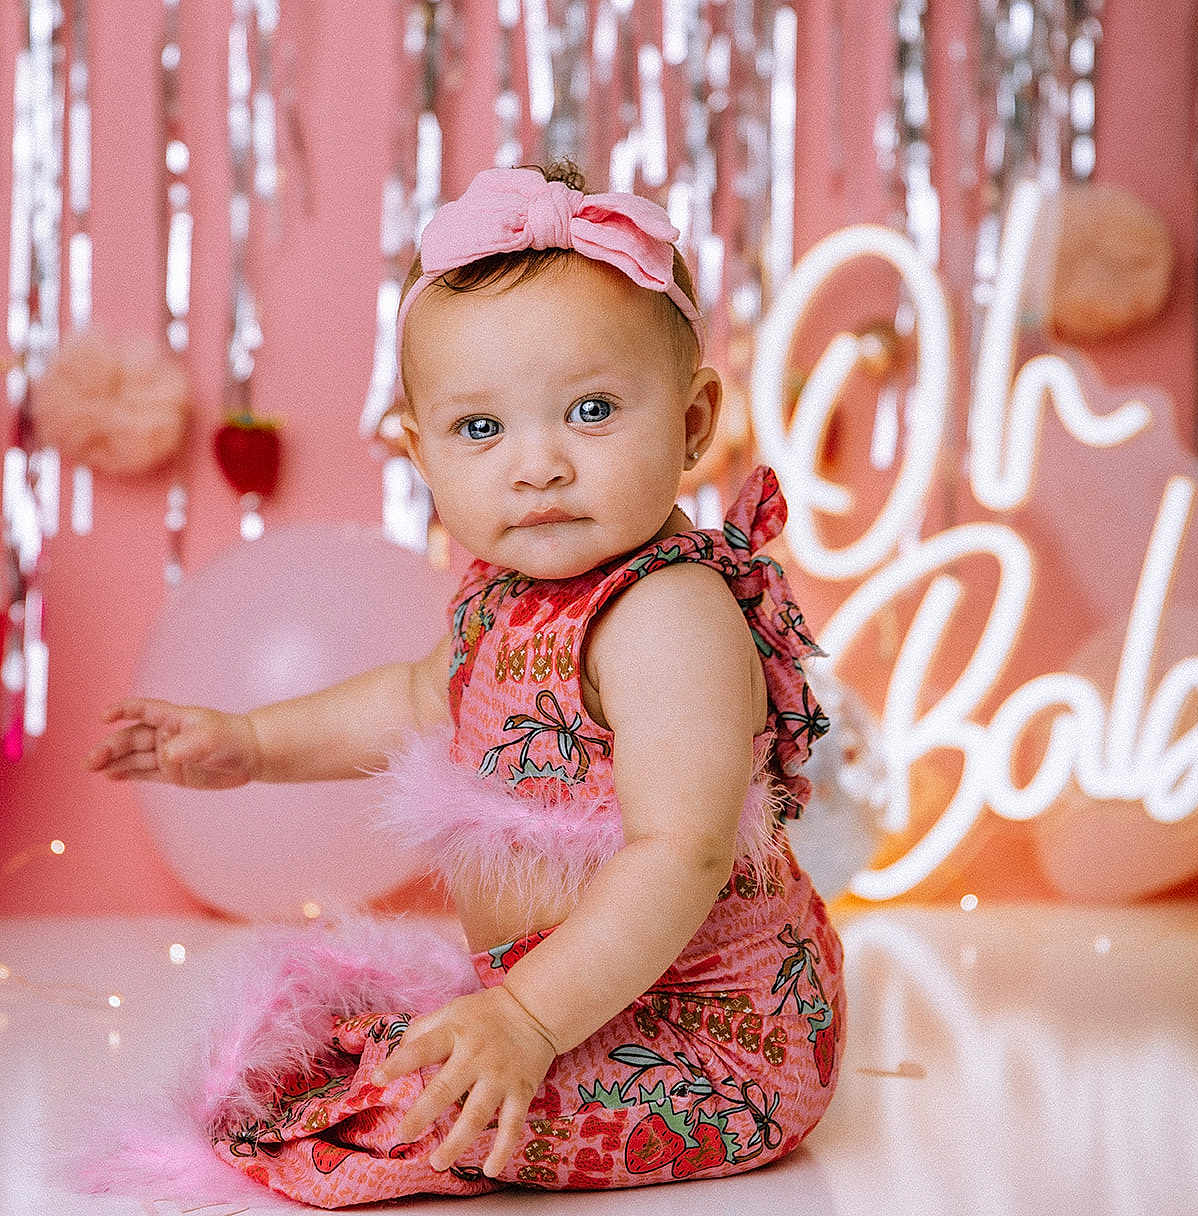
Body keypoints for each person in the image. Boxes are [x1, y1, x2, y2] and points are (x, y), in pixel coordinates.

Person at [85, 160, 844, 1207]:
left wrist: (526, 1019)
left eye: (590, 410)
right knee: (307, 1046)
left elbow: (684, 850)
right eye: (481, 429)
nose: (537, 466)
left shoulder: (667, 613)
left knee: (405, 1114)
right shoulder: (502, 591)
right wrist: (252, 744)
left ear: (692, 420)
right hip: (571, 999)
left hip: (707, 1041)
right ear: (422, 452)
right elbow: (415, 698)